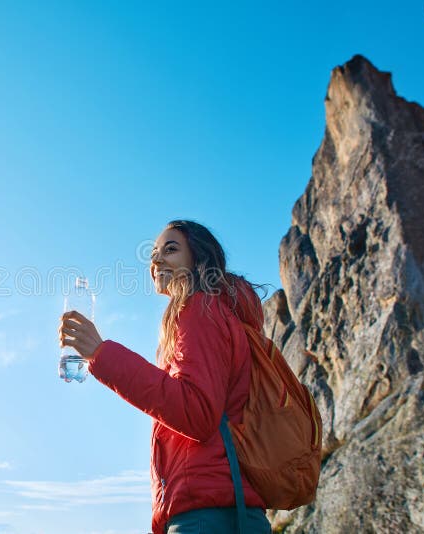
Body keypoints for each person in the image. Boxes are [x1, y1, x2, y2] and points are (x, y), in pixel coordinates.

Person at [58, 220, 272, 534]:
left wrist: (101, 355)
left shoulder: (201, 309)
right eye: (154, 254)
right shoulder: (218, 314)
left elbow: (196, 413)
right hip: (220, 509)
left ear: (198, 259)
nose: (156, 260)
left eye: (170, 249)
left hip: (209, 515)